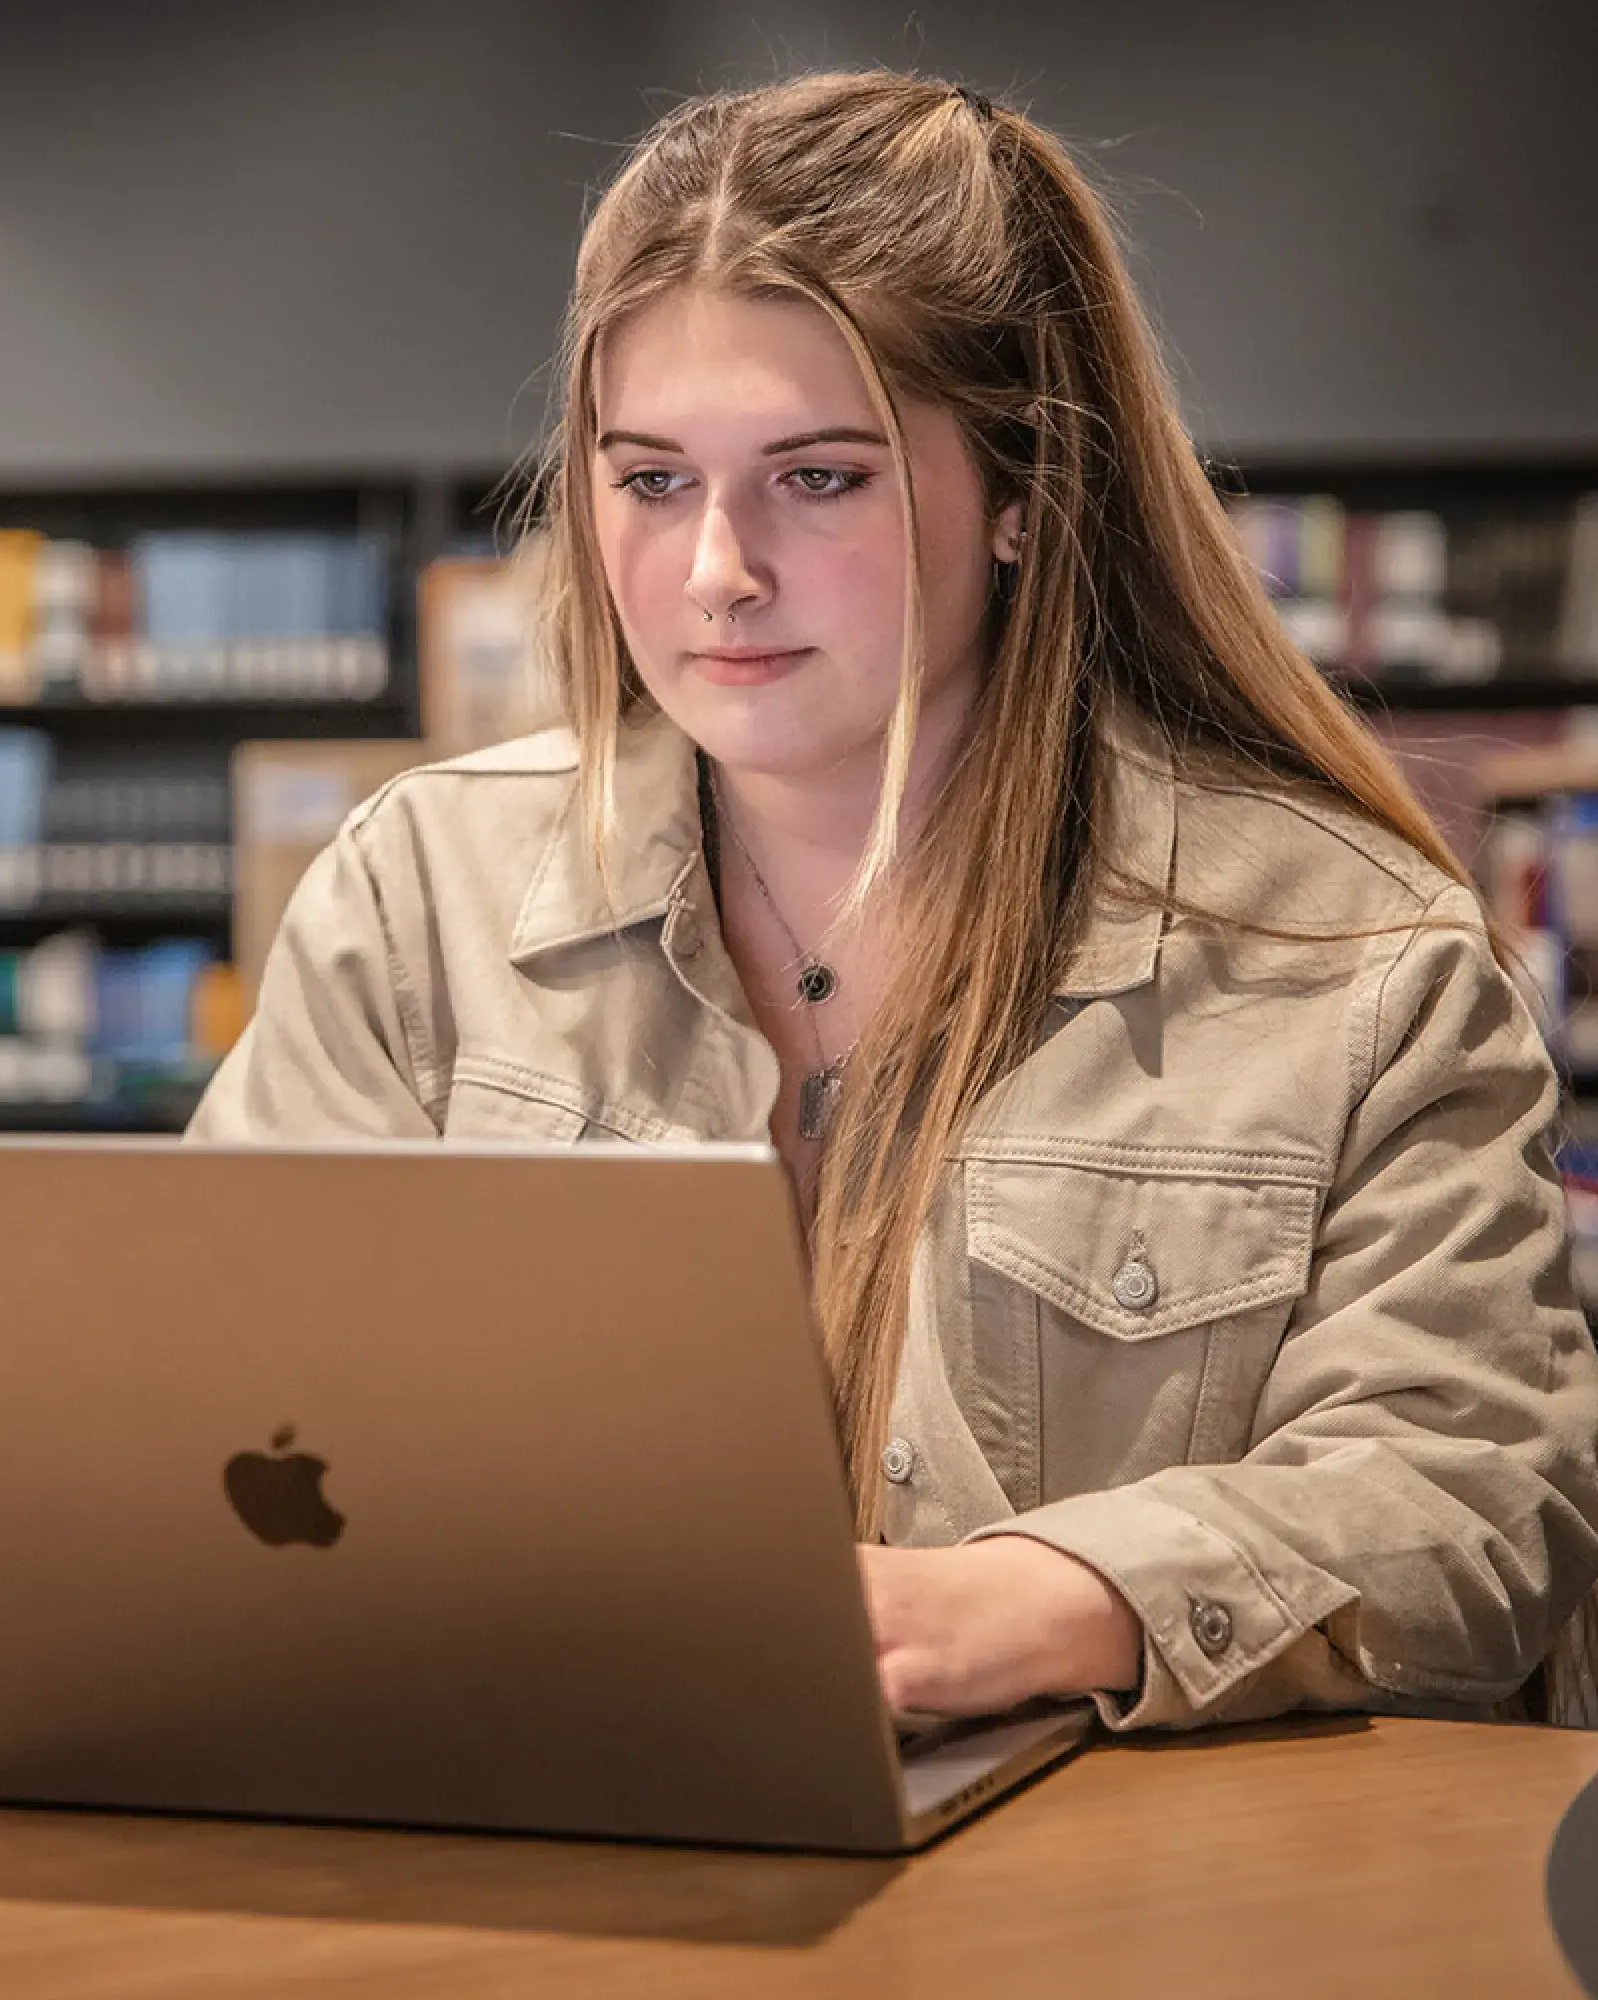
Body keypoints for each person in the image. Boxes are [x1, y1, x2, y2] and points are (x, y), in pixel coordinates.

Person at [189, 70, 1598, 1731]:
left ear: (1017, 491)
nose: (717, 569)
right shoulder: (417, 894)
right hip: (550, 1847)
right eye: (649, 480)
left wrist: (1063, 1603)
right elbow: (225, 1410)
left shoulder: (1355, 958)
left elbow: (1478, 1496)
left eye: (821, 478)